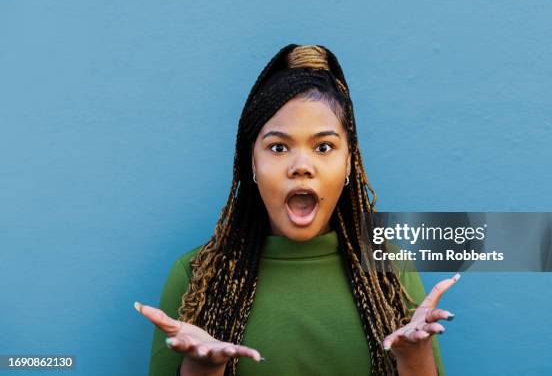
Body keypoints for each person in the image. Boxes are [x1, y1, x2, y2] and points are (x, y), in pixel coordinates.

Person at [135, 44, 458, 376]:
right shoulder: (196, 275)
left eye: (323, 147)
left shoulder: (389, 270)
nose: (302, 166)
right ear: (253, 165)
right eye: (278, 147)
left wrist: (414, 357)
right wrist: (201, 369)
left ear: (349, 162)